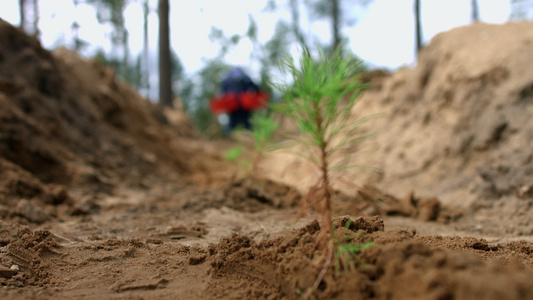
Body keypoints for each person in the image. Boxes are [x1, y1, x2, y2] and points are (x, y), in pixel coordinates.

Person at [220, 67, 260, 134]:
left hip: (241, 105)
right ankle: (228, 137)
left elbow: (223, 92)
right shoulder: (244, 78)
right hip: (236, 105)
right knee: (241, 122)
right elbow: (255, 88)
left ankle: (229, 136)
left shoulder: (229, 80)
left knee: (239, 122)